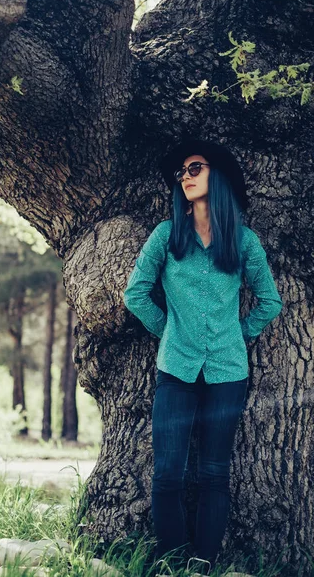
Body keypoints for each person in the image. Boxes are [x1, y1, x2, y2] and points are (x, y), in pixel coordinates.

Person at [123, 139, 283, 575]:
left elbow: (270, 302)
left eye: (195, 167)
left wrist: (238, 334)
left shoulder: (243, 241)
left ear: (218, 176)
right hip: (175, 370)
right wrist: (169, 331)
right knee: (168, 475)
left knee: (214, 474)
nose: (186, 176)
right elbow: (135, 294)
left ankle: (201, 564)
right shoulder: (166, 235)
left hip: (228, 373)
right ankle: (172, 561)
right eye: (182, 172)